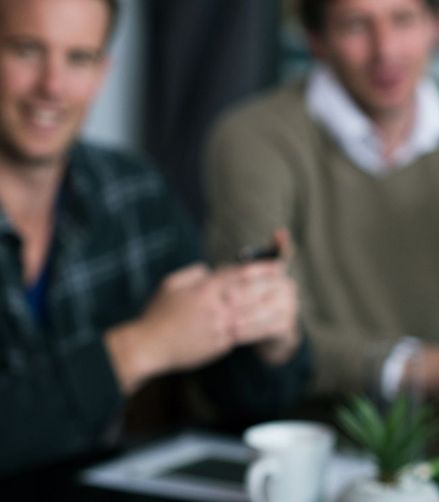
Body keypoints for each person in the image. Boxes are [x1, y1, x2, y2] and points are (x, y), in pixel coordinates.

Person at [204, 0, 439, 412]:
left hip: (415, 422)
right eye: (355, 26)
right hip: (287, 421)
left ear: (436, 24)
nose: (386, 50)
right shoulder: (254, 138)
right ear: (316, 40)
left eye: (403, 19)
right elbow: (272, 331)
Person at [0, 0, 307, 477]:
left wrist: (267, 338)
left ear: (102, 72)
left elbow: (239, 399)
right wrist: (141, 347)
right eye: (26, 51)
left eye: (79, 58)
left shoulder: (133, 192)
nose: (53, 86)